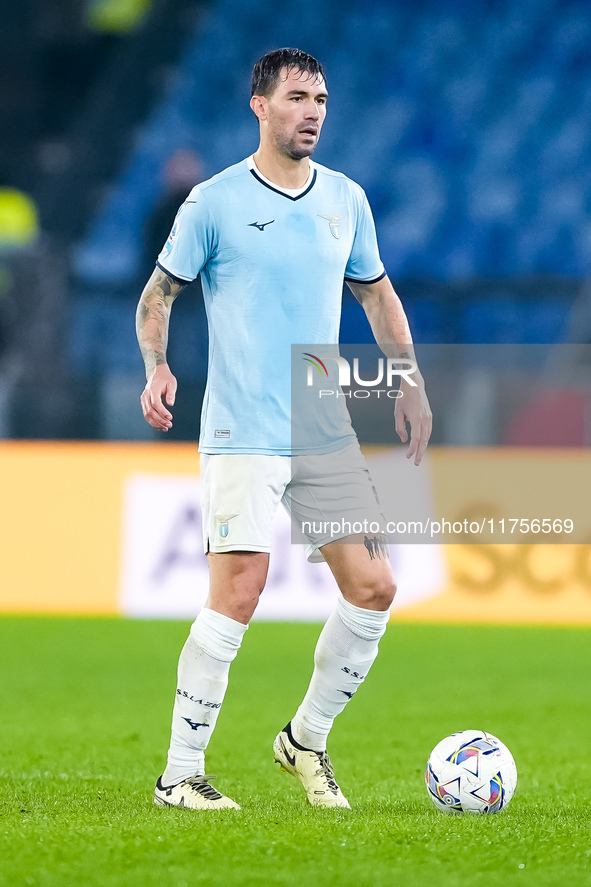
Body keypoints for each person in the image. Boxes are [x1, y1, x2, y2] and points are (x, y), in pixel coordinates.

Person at [136, 47, 432, 811]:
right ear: (259, 106)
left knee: (374, 586)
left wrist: (407, 380)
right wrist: (157, 365)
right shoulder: (212, 201)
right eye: (298, 96)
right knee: (239, 592)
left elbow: (376, 297)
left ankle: (304, 739)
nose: (313, 111)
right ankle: (180, 773)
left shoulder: (346, 199)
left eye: (322, 99)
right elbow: (158, 295)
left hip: (321, 426)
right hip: (242, 429)